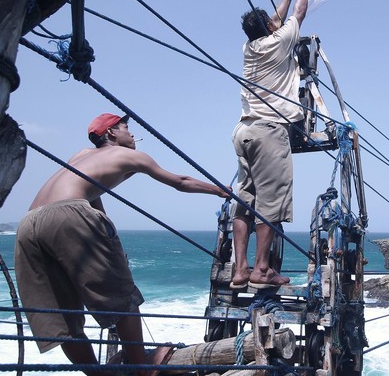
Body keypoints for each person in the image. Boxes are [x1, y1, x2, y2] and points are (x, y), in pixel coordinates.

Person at [14, 113, 229, 376]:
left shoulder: (79, 155)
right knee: (122, 297)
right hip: (68, 215)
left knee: (62, 317)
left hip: (29, 223)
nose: (132, 134)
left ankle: (98, 374)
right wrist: (219, 190)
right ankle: (141, 369)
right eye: (126, 127)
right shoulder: (131, 156)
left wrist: (106, 232)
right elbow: (179, 182)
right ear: (111, 133)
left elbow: (91, 197)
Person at [230, 0, 309, 289]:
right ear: (270, 29)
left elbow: (275, 19)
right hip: (269, 132)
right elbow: (299, 14)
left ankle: (241, 270)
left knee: (245, 201)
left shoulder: (249, 48)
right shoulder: (279, 41)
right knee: (271, 203)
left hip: (244, 130)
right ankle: (262, 270)